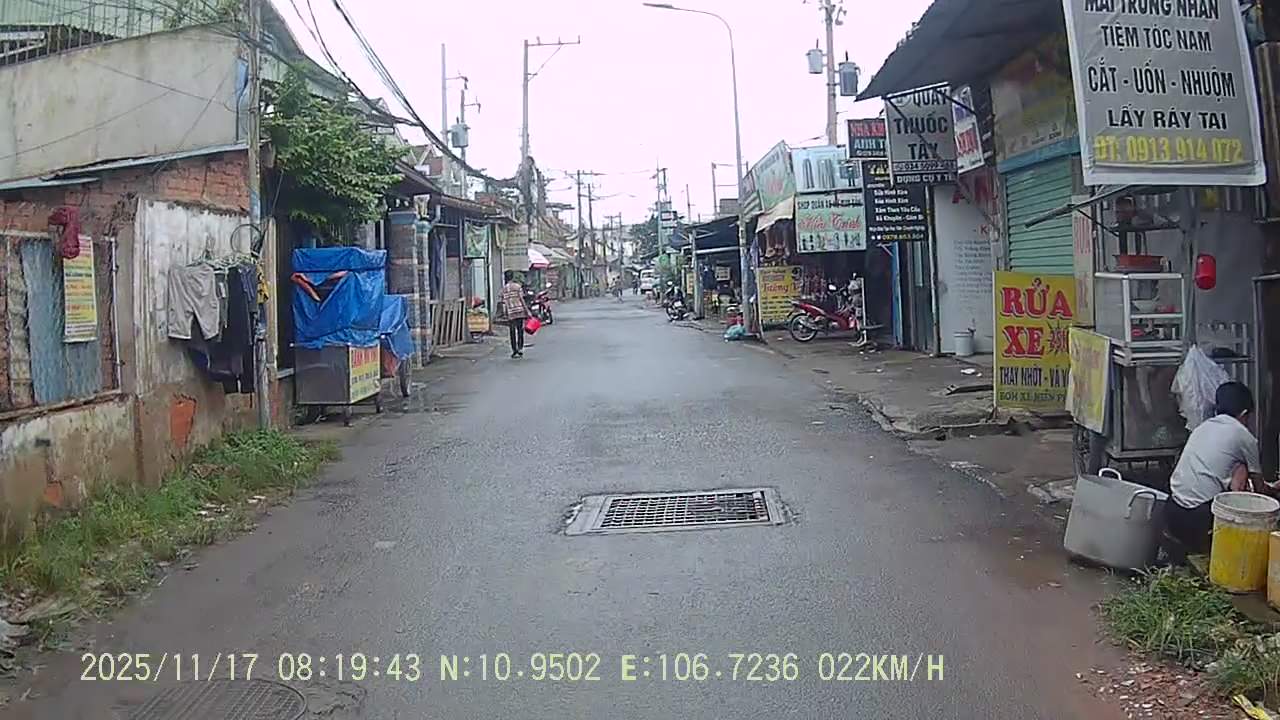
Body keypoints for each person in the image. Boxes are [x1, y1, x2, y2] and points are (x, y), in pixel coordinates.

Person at [1167, 381, 1265, 552]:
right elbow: (1260, 490)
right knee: (1242, 467)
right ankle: (1221, 540)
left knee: (1229, 466)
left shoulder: (1202, 427)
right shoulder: (1243, 436)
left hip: (1172, 511)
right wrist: (1274, 488)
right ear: (1244, 413)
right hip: (1198, 520)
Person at [499, 271, 529, 358]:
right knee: (520, 330)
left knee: (512, 331)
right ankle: (520, 347)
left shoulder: (504, 289)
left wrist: (505, 312)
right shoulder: (517, 287)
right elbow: (521, 299)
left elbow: (503, 301)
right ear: (512, 277)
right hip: (519, 310)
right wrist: (527, 310)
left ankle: (514, 350)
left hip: (510, 311)